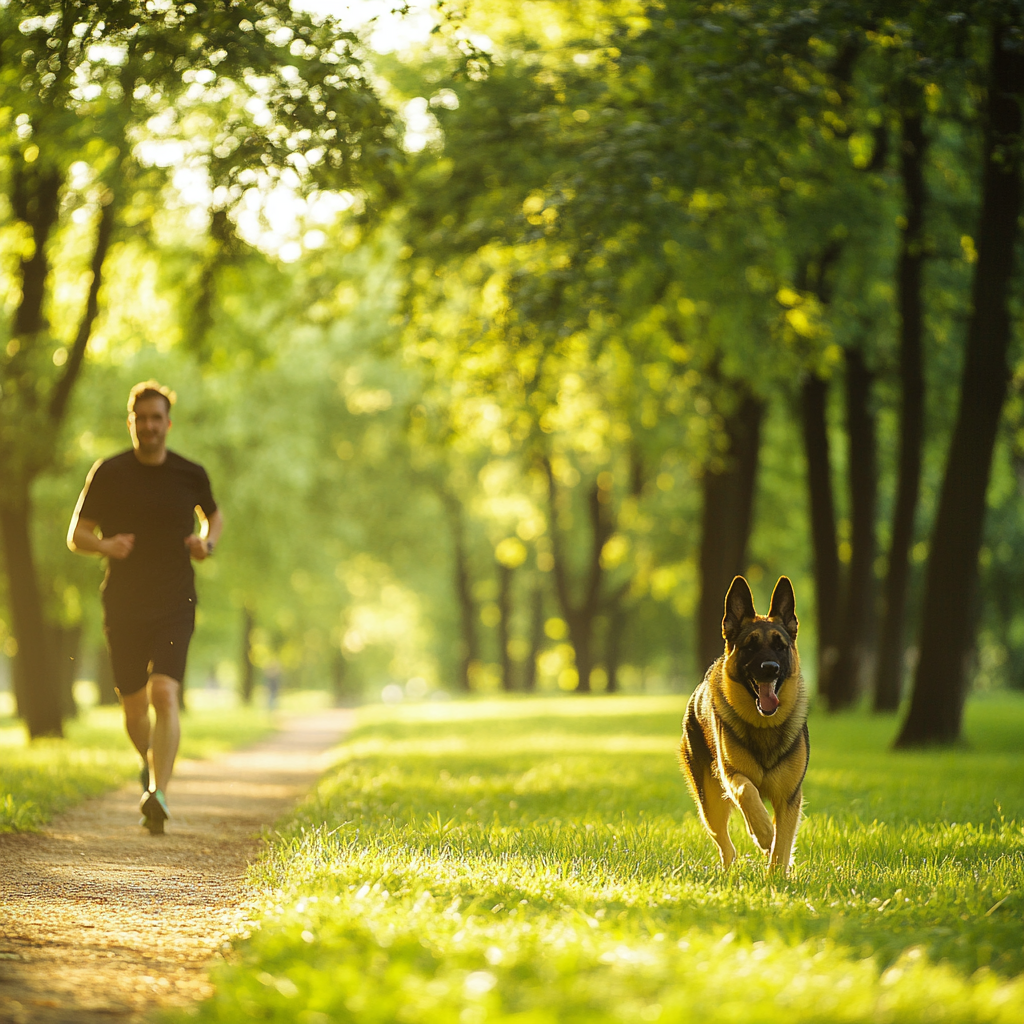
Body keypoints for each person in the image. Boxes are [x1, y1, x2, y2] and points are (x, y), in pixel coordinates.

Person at [68, 381, 223, 834]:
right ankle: (147, 761)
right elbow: (76, 533)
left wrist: (206, 544)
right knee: (134, 705)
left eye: (158, 419)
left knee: (164, 693)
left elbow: (213, 514)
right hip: (124, 603)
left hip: (176, 600)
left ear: (168, 424)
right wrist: (104, 545)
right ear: (131, 423)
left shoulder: (190, 473)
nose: (150, 426)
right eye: (142, 419)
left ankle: (159, 793)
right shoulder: (109, 472)